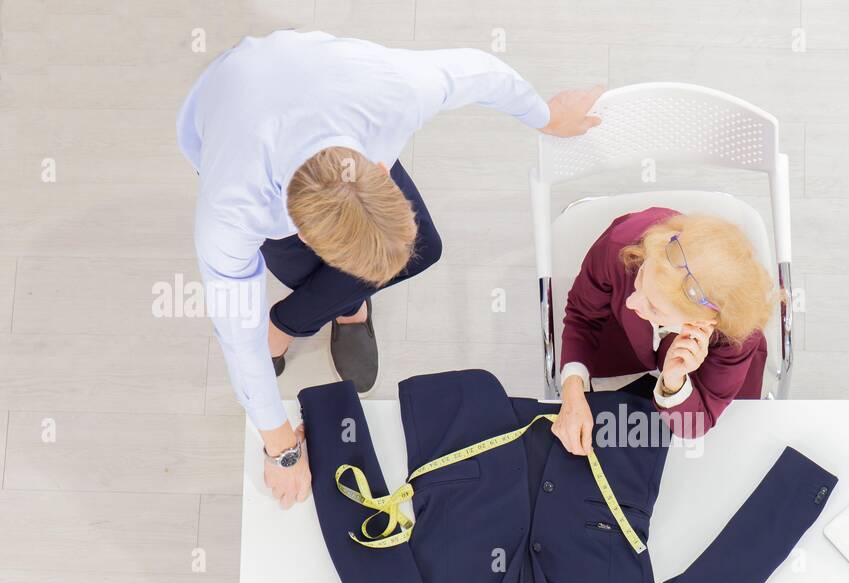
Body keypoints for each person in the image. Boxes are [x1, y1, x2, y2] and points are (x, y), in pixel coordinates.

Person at [176, 30, 602, 508]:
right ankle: (310, 314)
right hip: (225, 107)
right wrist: (283, 450)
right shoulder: (234, 210)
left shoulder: (392, 92)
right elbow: (236, 338)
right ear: (300, 230)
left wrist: (544, 116)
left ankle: (313, 314)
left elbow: (481, 71)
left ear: (382, 171)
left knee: (424, 248)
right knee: (301, 283)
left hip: (323, 83)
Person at [552, 207, 777, 454]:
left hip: (698, 397)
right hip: (619, 355)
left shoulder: (738, 336)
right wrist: (572, 391)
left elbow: (695, 423)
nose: (631, 302)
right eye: (641, 279)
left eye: (655, 308)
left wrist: (673, 382)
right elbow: (582, 316)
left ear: (703, 322)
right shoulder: (621, 246)